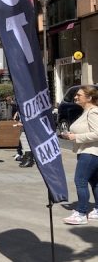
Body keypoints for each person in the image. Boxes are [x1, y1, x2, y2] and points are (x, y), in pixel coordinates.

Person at [61, 86, 98, 225]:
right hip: (89, 152)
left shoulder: (93, 112)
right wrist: (70, 136)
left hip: (90, 153)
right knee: (94, 182)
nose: (75, 97)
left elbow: (97, 133)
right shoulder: (86, 111)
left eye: (79, 95)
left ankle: (81, 213)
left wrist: (76, 136)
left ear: (89, 98)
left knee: (80, 181)